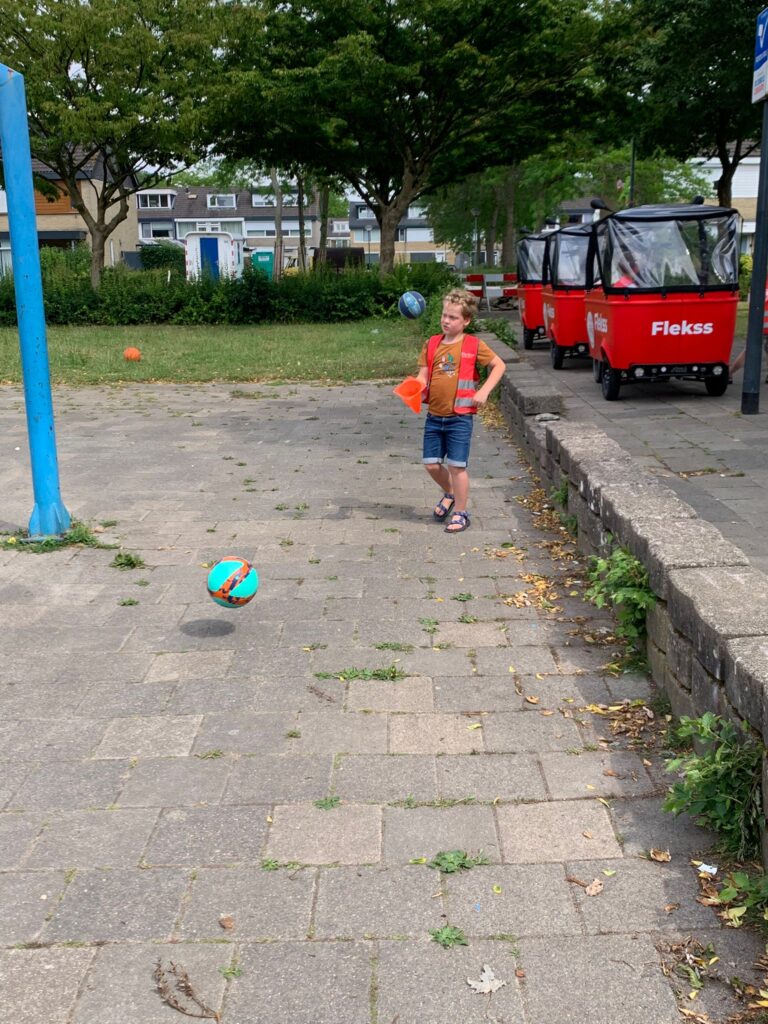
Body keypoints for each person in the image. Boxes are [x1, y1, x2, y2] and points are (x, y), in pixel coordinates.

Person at [414, 288, 506, 534]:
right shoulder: (431, 343)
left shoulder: (474, 344)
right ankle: (451, 492)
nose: (446, 320)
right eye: (444, 315)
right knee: (431, 465)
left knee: (457, 467)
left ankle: (461, 512)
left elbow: (499, 365)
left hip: (460, 417)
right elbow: (423, 376)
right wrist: (412, 389)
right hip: (435, 415)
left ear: (466, 320)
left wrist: (484, 391)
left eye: (453, 317)